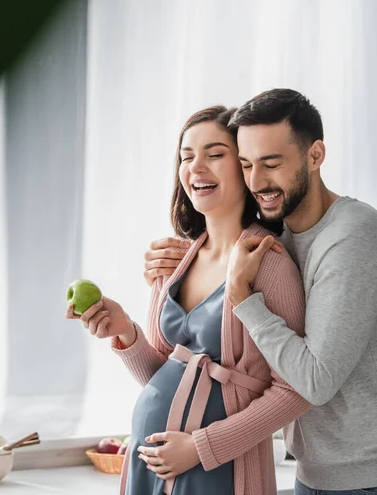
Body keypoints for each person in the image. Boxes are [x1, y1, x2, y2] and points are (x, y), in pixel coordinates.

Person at [66, 105, 311, 495]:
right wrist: (125, 332)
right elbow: (164, 376)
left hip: (220, 470)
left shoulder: (268, 264)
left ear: (245, 167)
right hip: (151, 466)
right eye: (186, 156)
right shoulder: (174, 263)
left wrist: (201, 448)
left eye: (215, 154)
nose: (196, 166)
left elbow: (296, 390)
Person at [146, 90, 377, 495]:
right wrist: (190, 264)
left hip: (360, 477)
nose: (256, 182)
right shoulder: (280, 232)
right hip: (313, 472)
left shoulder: (351, 237)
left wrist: (240, 296)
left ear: (315, 156)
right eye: (247, 164)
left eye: (271, 164)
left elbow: (314, 382)